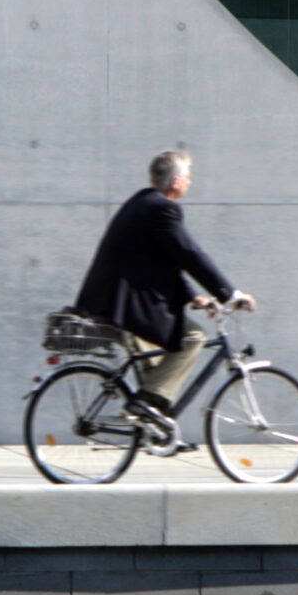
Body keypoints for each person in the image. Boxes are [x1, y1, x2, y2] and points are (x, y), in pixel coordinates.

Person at [72, 150, 256, 430]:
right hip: (124, 306)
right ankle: (144, 403)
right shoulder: (162, 209)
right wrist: (230, 294)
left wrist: (194, 297)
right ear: (175, 181)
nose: (190, 182)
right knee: (193, 337)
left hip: (112, 301)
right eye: (188, 176)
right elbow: (189, 254)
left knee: (161, 365)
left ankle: (158, 429)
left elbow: (165, 260)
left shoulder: (141, 202)